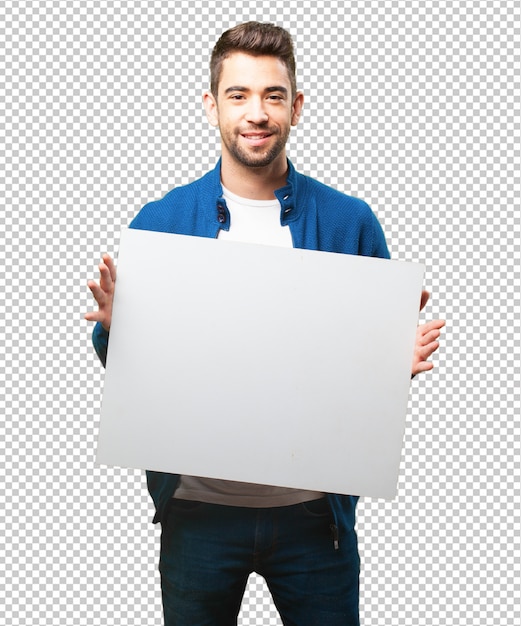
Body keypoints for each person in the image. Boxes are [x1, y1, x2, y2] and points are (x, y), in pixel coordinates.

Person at [85, 21, 445, 626]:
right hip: (197, 514)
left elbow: (364, 379)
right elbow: (126, 375)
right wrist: (120, 331)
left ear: (296, 107)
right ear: (211, 106)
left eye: (273, 95)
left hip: (313, 519)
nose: (257, 112)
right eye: (239, 94)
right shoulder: (162, 220)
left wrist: (390, 371)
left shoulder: (349, 221)